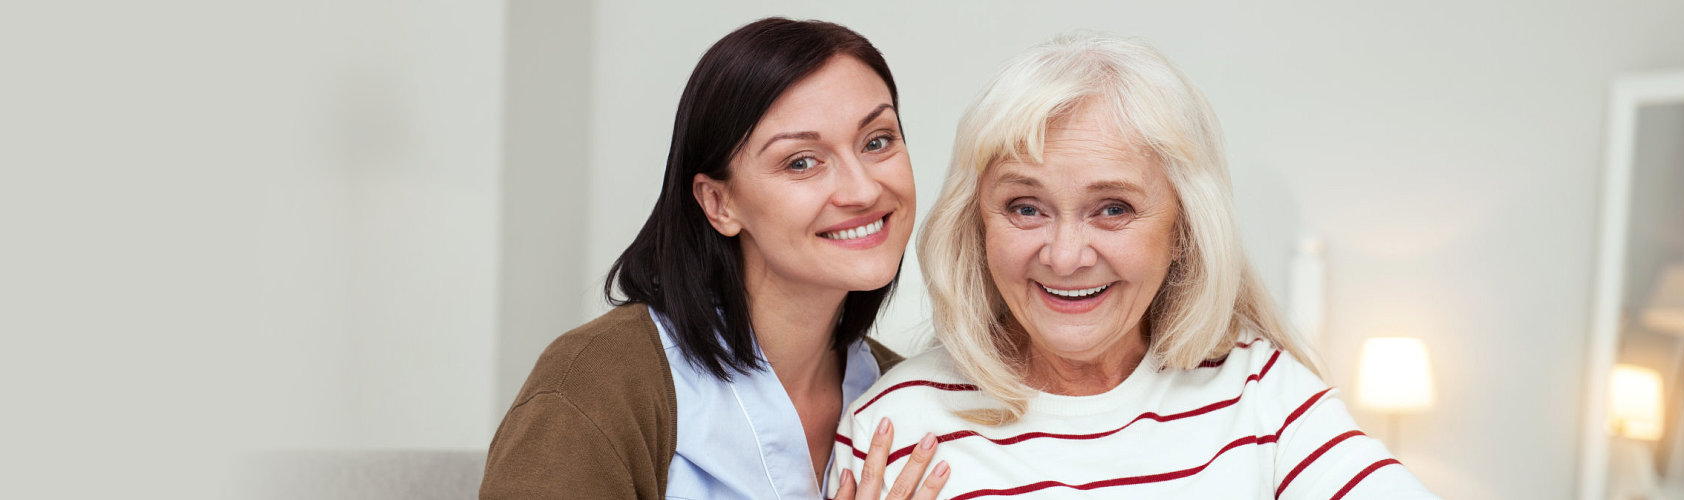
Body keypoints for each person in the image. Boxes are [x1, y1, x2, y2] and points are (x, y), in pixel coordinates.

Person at [830, 33, 1440, 499]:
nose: (1065, 256)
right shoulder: (895, 427)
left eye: (1113, 208)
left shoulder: (1262, 393)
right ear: (978, 224)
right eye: (1025, 207)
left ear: (1182, 232)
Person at [482, 18, 945, 500]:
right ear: (718, 203)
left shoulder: (914, 397)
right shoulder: (598, 384)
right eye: (801, 161)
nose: (864, 189)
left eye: (877, 141)